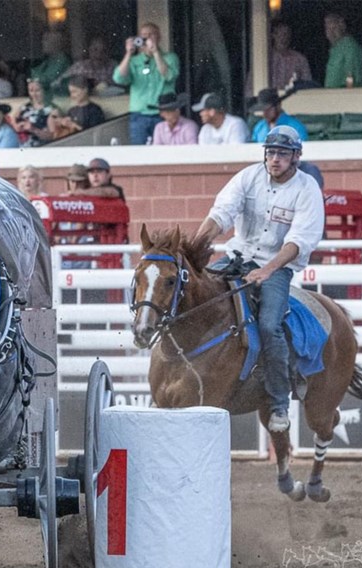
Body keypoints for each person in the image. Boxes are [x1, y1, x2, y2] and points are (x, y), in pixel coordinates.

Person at [195, 125, 323, 432]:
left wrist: (267, 271)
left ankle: (279, 401)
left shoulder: (307, 189)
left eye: (282, 153)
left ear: (296, 157)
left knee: (269, 324)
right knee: (198, 295)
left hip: (276, 266)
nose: (275, 159)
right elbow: (222, 212)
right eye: (271, 152)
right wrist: (196, 245)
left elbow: (298, 241)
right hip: (238, 256)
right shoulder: (248, 177)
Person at [113, 22, 180, 145]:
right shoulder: (134, 61)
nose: (147, 38)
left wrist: (155, 53)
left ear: (159, 37)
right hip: (139, 114)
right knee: (139, 151)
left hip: (162, 113)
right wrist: (128, 53)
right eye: (144, 35)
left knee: (162, 151)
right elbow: (119, 78)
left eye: (151, 35)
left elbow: (168, 75)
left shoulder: (170, 58)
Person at [324, 13, 362, 88]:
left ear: (342, 26)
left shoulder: (349, 45)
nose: (330, 33)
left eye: (334, 28)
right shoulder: (335, 48)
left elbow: (350, 73)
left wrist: (347, 95)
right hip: (331, 94)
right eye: (328, 28)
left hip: (344, 94)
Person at [269, 20, 312, 90]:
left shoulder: (299, 59)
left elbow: (307, 85)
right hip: (269, 99)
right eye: (280, 33)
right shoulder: (265, 59)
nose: (283, 37)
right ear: (273, 35)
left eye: (286, 34)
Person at [29, 31, 71, 101]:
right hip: (48, 99)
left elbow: (46, 80)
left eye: (46, 40)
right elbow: (34, 74)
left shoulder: (62, 60)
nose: (42, 43)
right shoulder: (48, 60)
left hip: (60, 100)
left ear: (56, 43)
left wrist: (37, 79)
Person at [15, 77, 55, 147]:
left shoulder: (52, 111)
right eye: (31, 91)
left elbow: (53, 136)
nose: (34, 94)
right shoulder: (23, 107)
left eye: (37, 90)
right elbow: (14, 123)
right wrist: (17, 127)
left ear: (45, 91)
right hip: (20, 147)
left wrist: (33, 129)